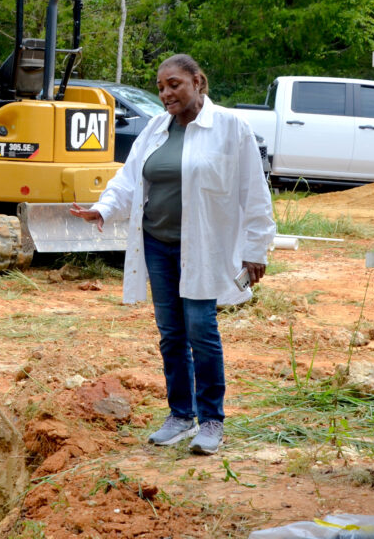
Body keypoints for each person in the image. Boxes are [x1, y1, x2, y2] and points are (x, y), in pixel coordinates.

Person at [70, 54, 275, 455]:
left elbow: (255, 193)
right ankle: (181, 415)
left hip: (202, 247)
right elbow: (128, 178)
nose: (165, 93)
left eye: (174, 84)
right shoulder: (155, 128)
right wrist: (104, 207)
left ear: (199, 82)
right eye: (161, 86)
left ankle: (211, 420)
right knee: (171, 335)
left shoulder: (231, 128)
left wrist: (255, 249)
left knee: (201, 328)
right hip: (157, 245)